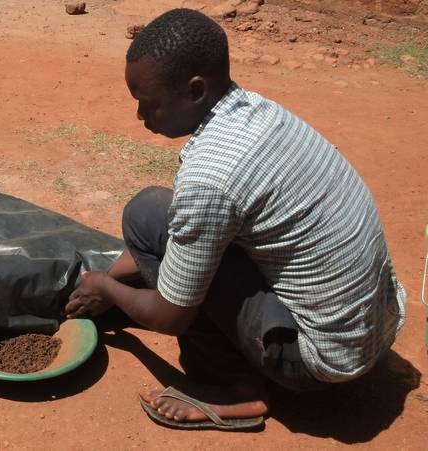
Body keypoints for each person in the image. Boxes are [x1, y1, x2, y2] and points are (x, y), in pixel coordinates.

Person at [65, 8, 406, 431]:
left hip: (316, 361)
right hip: (371, 331)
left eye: (147, 104)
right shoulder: (257, 112)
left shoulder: (211, 177)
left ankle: (232, 389)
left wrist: (107, 289)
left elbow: (172, 317)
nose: (139, 117)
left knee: (146, 214)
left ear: (194, 90)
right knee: (158, 216)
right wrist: (112, 277)